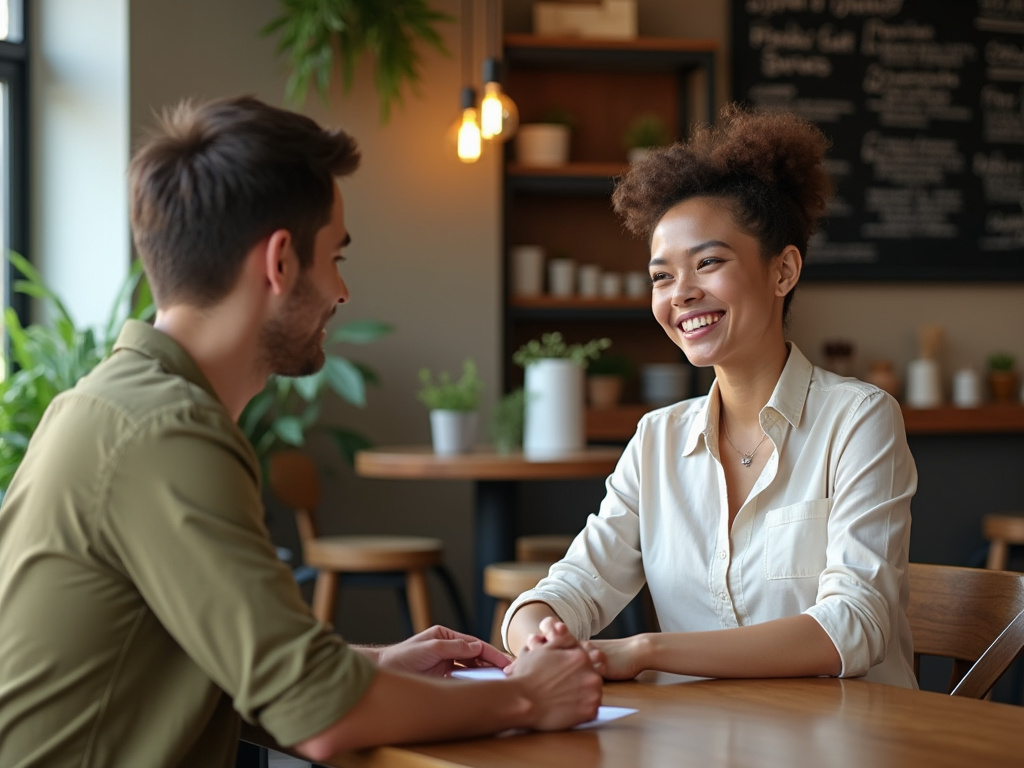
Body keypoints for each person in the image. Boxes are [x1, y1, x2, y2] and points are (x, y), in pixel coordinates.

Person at [0, 95, 602, 768]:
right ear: (280, 262)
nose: (342, 293)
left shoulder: (109, 406)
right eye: (336, 257)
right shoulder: (165, 431)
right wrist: (526, 698)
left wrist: (375, 665)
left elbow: (215, 656)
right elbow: (321, 714)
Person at [504, 105, 918, 688]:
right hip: (698, 742)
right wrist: (539, 635)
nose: (682, 294)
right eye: (661, 276)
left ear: (783, 272)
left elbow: (853, 625)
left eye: (708, 263)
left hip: (841, 742)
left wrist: (647, 651)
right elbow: (570, 589)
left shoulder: (858, 419)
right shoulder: (658, 438)